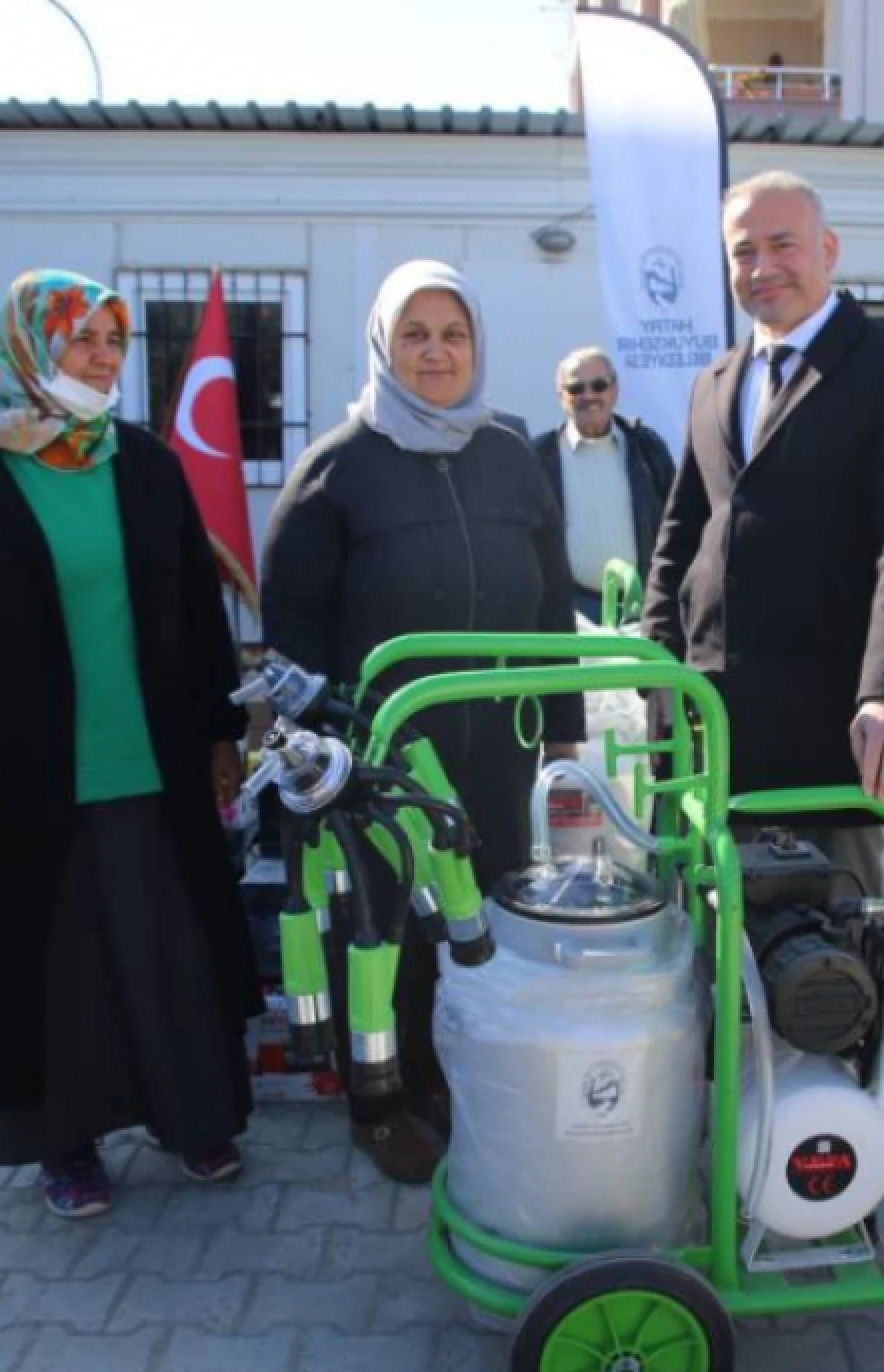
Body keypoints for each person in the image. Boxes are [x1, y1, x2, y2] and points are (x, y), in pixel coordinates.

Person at [0, 269, 262, 1220]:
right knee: (58, 971)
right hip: (22, 784)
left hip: (154, 765)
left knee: (171, 953)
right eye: (82, 338)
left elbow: (193, 607)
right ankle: (66, 1145)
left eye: (114, 341)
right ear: (29, 343)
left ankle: (195, 1119)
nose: (101, 356)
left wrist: (222, 731)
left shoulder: (141, 462)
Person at [261, 260, 584, 1185]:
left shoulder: (512, 456)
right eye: (416, 334)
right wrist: (323, 754)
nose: (436, 352)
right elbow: (290, 639)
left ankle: (460, 1076)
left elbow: (551, 613)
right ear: (383, 344)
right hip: (385, 765)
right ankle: (381, 1099)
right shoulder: (339, 469)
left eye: (453, 334)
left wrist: (564, 734)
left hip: (500, 753)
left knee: (481, 917)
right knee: (388, 929)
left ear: (478, 344)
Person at [641, 170, 884, 895]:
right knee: (713, 968)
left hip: (837, 734)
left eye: (782, 244)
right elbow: (681, 532)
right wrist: (658, 673)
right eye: (742, 251)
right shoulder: (714, 382)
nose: (761, 267)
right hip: (712, 736)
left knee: (833, 976)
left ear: (828, 248)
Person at [531, 346, 676, 622]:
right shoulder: (539, 457)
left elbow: (675, 523)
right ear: (561, 396)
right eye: (576, 388)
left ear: (614, 390)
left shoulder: (647, 448)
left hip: (642, 608)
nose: (589, 396)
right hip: (571, 613)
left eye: (598, 386)